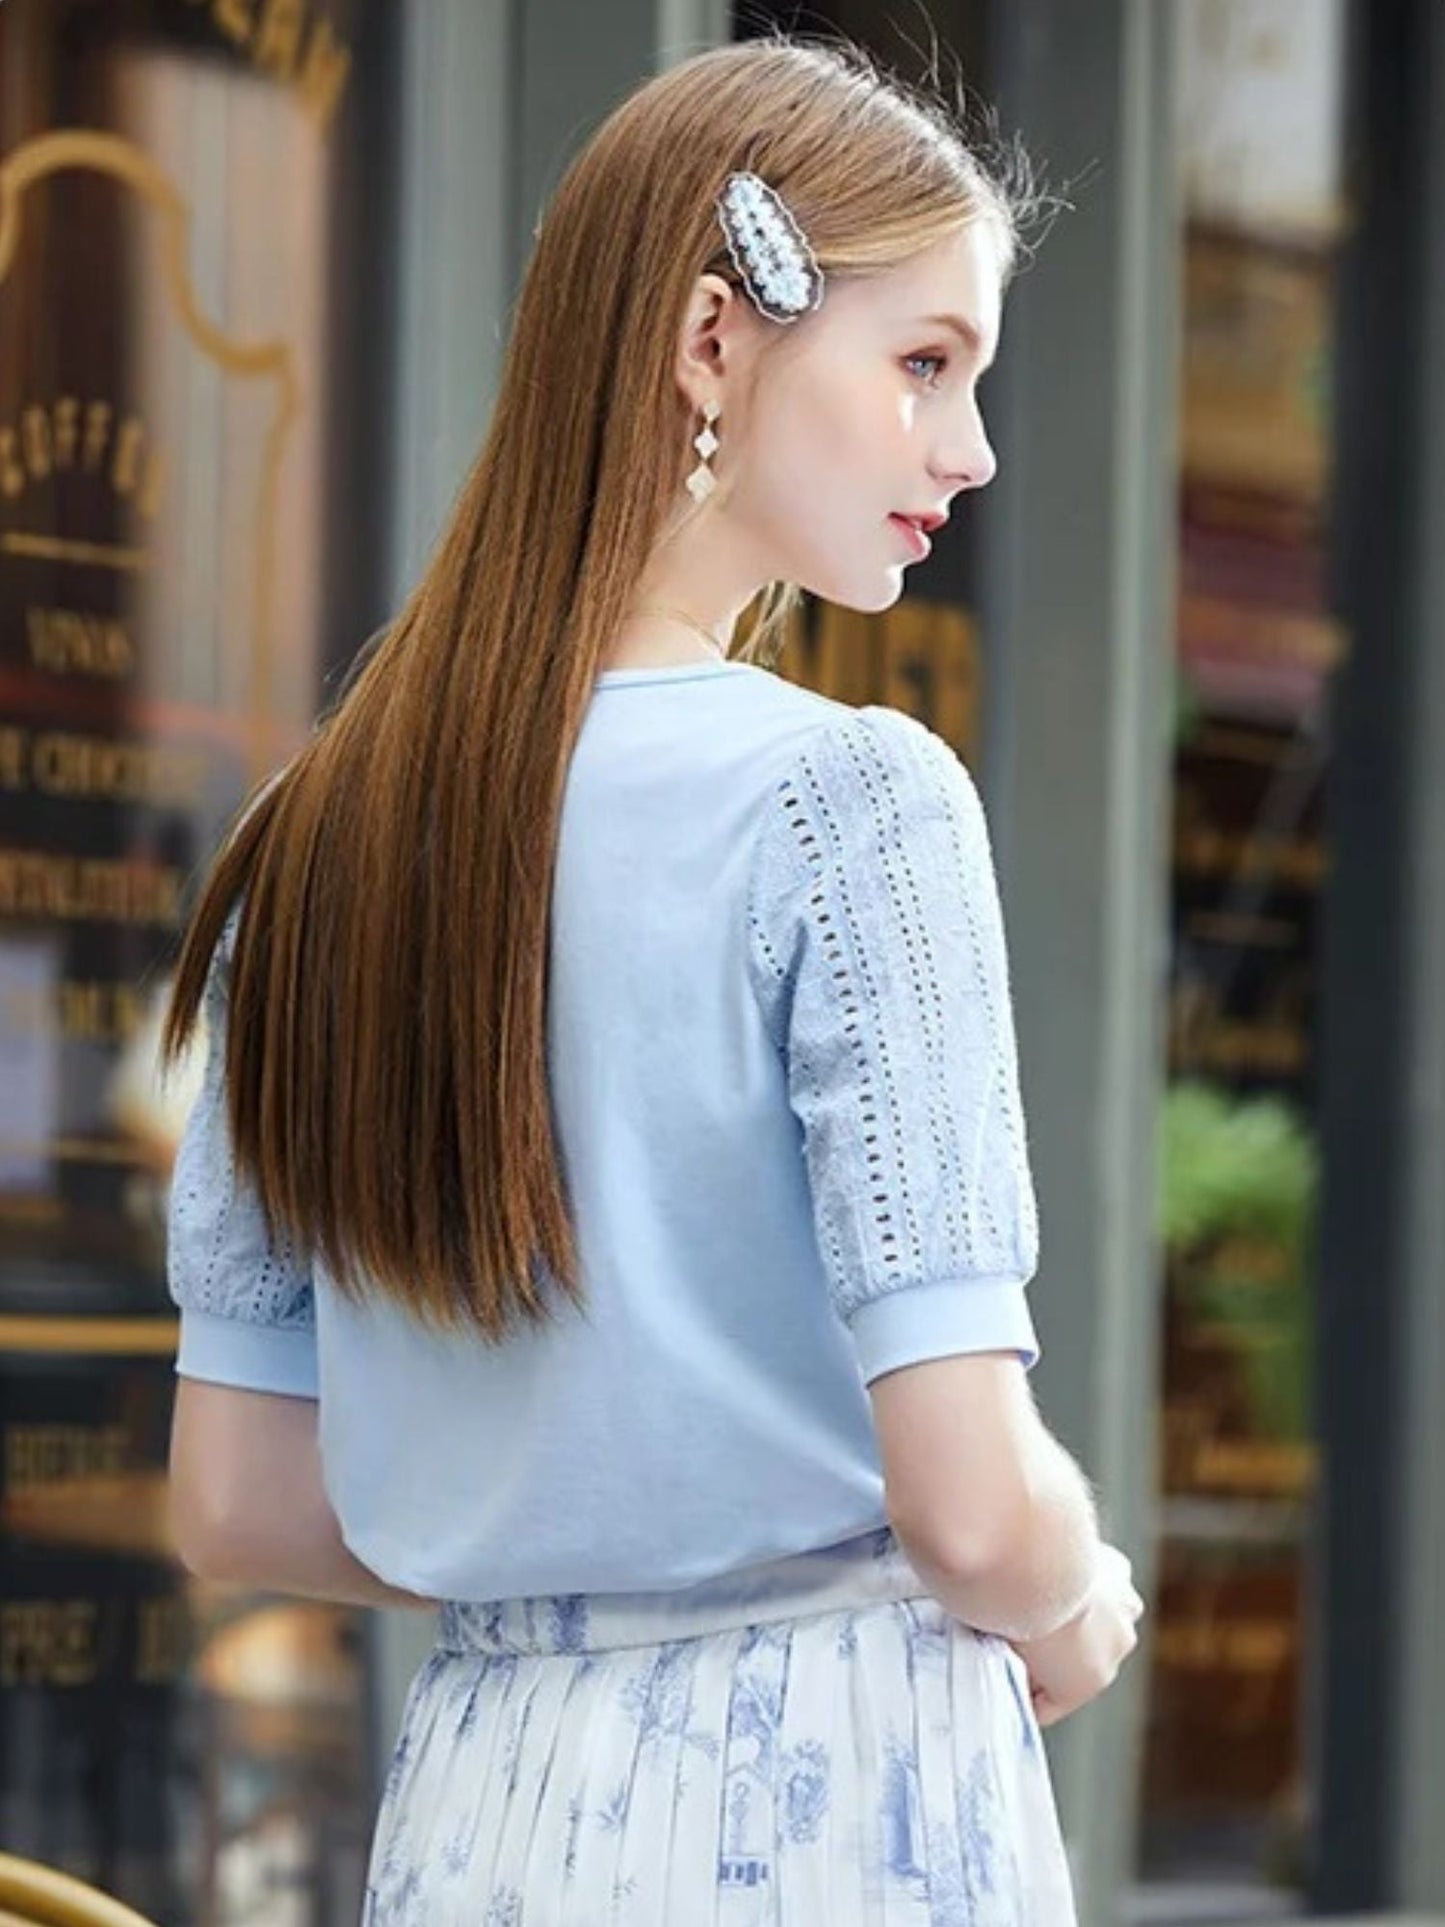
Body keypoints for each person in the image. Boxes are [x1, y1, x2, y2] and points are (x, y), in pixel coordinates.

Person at [160, 30, 1144, 1924]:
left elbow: (238, 1501)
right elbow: (968, 1502)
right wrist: (1072, 1581)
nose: (972, 449)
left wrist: (566, 1564)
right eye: (924, 363)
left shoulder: (317, 834)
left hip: (485, 1796)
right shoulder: (851, 802)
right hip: (837, 1789)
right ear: (714, 341)